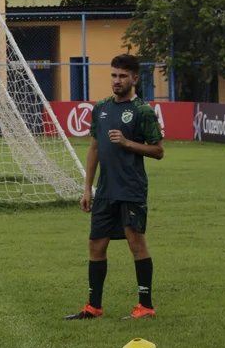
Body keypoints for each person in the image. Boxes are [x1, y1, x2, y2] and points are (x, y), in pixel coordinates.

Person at [65, 54, 165, 321]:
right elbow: (95, 148)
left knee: (136, 243)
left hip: (131, 189)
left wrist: (127, 142)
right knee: (96, 245)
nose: (117, 81)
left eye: (122, 76)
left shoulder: (143, 111)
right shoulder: (101, 108)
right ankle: (93, 307)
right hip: (105, 190)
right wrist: (88, 188)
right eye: (113, 75)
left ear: (134, 79)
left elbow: (158, 151)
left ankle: (145, 306)